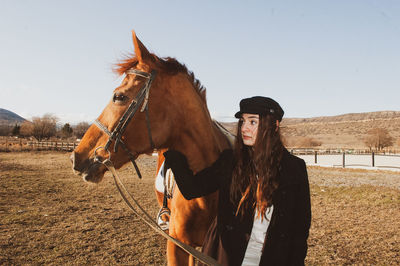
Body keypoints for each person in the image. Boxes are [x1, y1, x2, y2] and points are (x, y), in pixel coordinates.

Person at [164, 96, 311, 266]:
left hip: (273, 258)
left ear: (274, 125)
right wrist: (174, 154)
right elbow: (192, 189)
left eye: (253, 122)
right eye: (242, 121)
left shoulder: (294, 168)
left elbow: (300, 226)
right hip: (228, 257)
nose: (244, 128)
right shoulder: (231, 161)